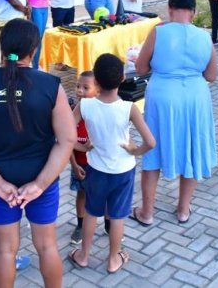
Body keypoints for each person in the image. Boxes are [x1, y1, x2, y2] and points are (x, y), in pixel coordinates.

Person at [0, 18, 75, 288]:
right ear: (34, 50)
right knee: (47, 246)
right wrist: (39, 184)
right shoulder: (50, 85)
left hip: (0, 180)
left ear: (2, 47)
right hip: (42, 178)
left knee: (5, 250)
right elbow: (66, 140)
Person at [132, 0, 218, 226]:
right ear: (194, 11)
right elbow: (211, 75)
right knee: (191, 148)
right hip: (195, 97)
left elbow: (140, 68)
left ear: (170, 9)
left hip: (163, 95)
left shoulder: (159, 32)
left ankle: (147, 212)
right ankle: (182, 210)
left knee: (153, 150)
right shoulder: (204, 36)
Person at [68, 54, 155, 274]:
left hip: (95, 169)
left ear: (95, 80)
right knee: (116, 216)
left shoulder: (84, 105)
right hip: (122, 171)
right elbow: (151, 142)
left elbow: (65, 135)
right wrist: (135, 150)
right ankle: (113, 260)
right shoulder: (129, 108)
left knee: (90, 213)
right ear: (123, 78)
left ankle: (84, 255)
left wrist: (82, 148)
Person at [69, 71, 99, 245]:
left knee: (103, 196)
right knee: (81, 194)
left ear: (98, 89)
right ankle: (81, 225)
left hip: (99, 166)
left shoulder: (100, 112)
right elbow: (66, 141)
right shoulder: (72, 112)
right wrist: (73, 165)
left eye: (86, 87)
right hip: (79, 164)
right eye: (78, 86)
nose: (80, 90)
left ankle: (109, 225)